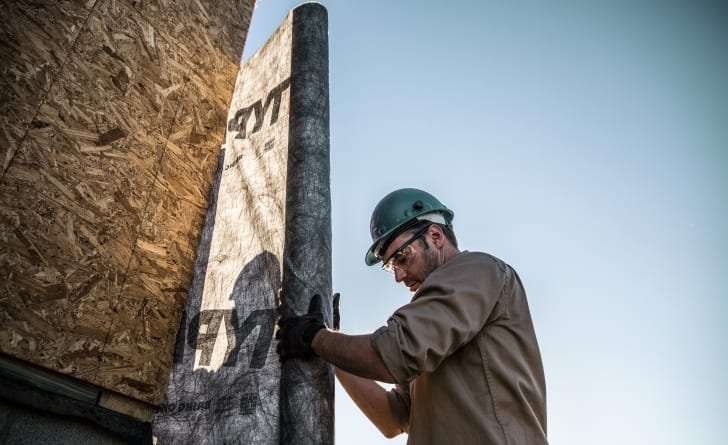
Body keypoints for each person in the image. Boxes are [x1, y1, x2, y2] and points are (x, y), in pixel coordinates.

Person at [276, 188, 548, 444]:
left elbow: (393, 354)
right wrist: (331, 348)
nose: (398, 275)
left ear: (436, 236)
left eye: (402, 257)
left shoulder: (478, 270)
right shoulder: (436, 326)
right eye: (390, 266)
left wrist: (314, 338)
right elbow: (393, 417)